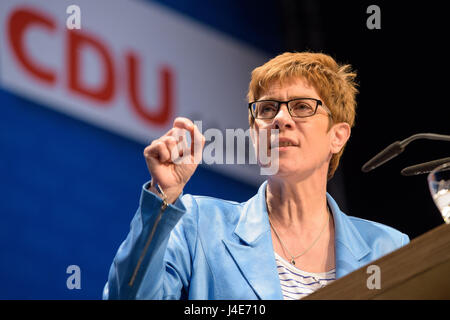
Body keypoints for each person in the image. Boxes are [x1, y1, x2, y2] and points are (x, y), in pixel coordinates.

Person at [103, 52, 410, 300]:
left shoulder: (389, 247)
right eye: (267, 109)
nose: (280, 119)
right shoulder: (199, 224)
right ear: (254, 135)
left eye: (302, 107)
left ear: (338, 136)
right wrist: (163, 199)